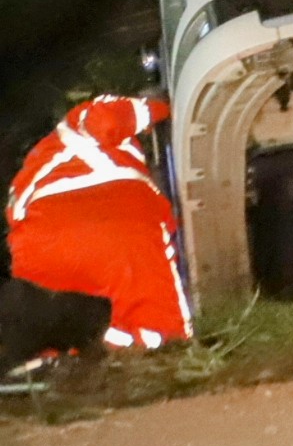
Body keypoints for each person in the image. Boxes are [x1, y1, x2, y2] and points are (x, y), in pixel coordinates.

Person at [2, 94, 192, 372]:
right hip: (119, 222)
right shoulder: (75, 125)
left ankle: (60, 355)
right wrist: (161, 105)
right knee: (163, 327)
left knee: (57, 324)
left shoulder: (26, 177)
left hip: (40, 247)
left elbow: (16, 227)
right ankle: (144, 349)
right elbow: (106, 118)